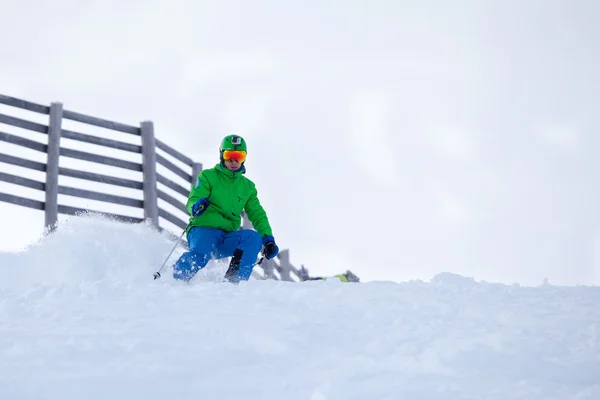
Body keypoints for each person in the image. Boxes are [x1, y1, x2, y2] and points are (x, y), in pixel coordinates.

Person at [172, 134, 279, 283]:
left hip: (225, 237)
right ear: (222, 155)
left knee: (252, 238)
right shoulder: (209, 176)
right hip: (203, 229)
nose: (234, 161)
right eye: (230, 155)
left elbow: (257, 214)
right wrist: (196, 206)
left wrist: (268, 239)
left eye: (239, 156)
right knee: (200, 255)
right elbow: (194, 198)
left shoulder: (247, 187)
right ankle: (173, 279)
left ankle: (233, 284)